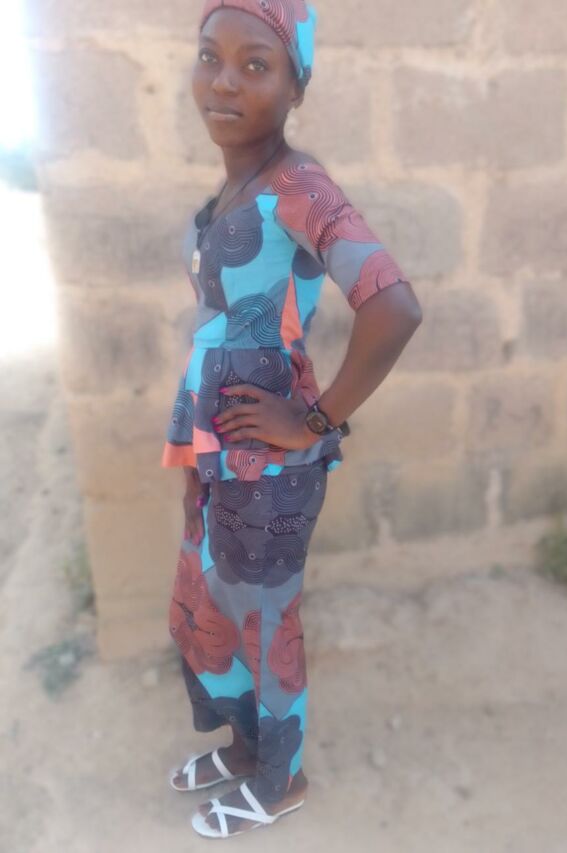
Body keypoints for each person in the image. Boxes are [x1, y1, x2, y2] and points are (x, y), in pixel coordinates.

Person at [162, 0, 423, 840]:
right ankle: (247, 748)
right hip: (214, 444)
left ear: (295, 86)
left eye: (256, 64)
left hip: (265, 464)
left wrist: (314, 419)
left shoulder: (299, 188)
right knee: (212, 602)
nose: (223, 81)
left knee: (265, 621)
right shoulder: (237, 183)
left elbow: (394, 306)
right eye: (210, 56)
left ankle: (283, 779)